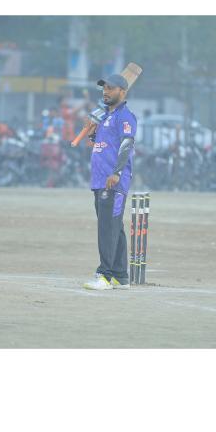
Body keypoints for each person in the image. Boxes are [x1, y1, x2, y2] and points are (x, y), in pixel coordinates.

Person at [83, 73, 137, 290]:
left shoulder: (125, 116)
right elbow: (102, 145)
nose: (105, 92)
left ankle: (104, 275)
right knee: (115, 227)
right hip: (100, 179)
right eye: (104, 88)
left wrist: (117, 172)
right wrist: (92, 134)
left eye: (111, 88)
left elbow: (126, 145)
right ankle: (120, 275)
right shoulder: (105, 116)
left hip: (113, 180)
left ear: (122, 92)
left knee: (107, 228)